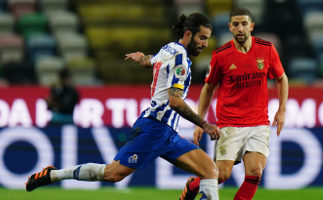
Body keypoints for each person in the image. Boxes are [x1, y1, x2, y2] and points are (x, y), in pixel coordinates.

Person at [25, 13, 222, 200]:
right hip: (155, 128)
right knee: (112, 174)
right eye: (202, 38)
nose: (205, 44)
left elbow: (150, 61)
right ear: (188, 34)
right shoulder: (181, 61)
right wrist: (205, 124)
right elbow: (176, 101)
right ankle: (54, 175)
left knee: (210, 170)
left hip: (168, 133)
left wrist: (141, 57)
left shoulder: (169, 48)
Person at [179, 8, 289, 200]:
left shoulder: (267, 48)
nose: (240, 28)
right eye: (236, 24)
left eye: (244, 24)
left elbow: (282, 78)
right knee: (221, 175)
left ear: (252, 26)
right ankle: (194, 185)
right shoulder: (222, 55)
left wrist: (281, 110)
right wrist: (200, 120)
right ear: (230, 27)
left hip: (258, 122)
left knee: (255, 171)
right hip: (230, 123)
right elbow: (208, 88)